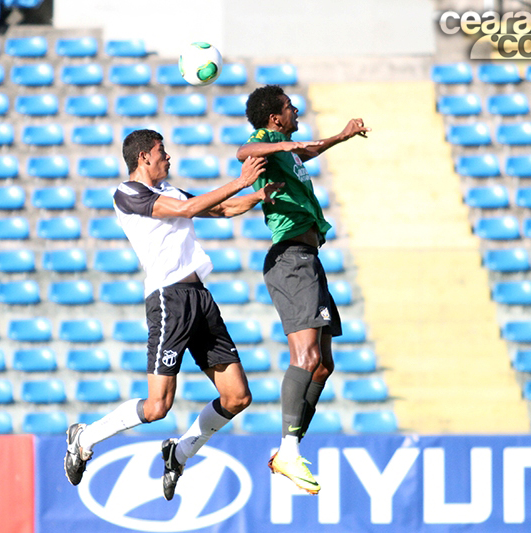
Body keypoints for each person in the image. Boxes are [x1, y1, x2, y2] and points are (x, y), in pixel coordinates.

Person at [64, 129, 282, 501]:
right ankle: (84, 437)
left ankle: (178, 454)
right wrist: (240, 180)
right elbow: (186, 211)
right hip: (169, 300)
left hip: (200, 298)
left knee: (237, 397)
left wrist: (260, 194)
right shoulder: (128, 193)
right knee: (158, 406)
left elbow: (222, 208)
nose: (169, 157)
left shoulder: (173, 192)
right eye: (162, 152)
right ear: (143, 157)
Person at [236, 85, 370, 495]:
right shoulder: (264, 142)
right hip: (291, 259)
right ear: (276, 118)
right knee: (306, 355)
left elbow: (304, 152)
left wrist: (339, 137)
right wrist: (289, 144)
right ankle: (288, 449)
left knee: (324, 365)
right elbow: (245, 153)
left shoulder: (285, 149)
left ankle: (287, 451)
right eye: (290, 109)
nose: (296, 112)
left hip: (308, 259)